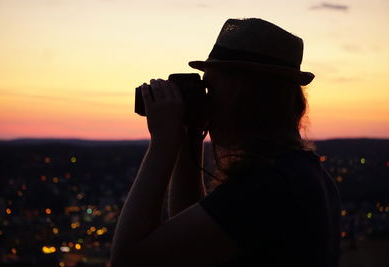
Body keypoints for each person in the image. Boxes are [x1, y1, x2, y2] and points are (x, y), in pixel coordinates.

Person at [110, 18, 342, 267]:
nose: (205, 102)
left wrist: (162, 143)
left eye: (210, 89)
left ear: (245, 96)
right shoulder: (300, 173)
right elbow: (192, 240)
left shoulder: (267, 190)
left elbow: (128, 259)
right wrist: (188, 138)